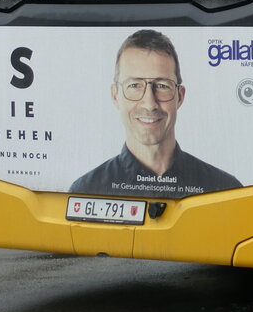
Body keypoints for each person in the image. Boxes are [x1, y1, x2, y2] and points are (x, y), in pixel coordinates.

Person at [70, 29, 241, 199]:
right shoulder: (85, 192)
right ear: (115, 96)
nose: (150, 104)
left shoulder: (225, 191)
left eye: (162, 86)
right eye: (134, 85)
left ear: (180, 96)